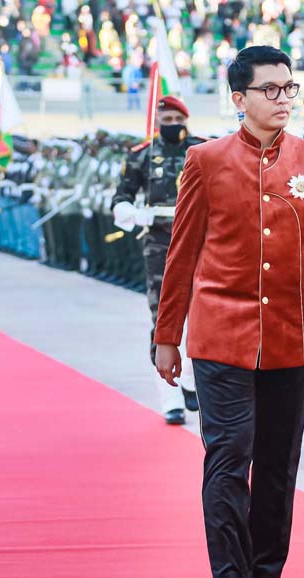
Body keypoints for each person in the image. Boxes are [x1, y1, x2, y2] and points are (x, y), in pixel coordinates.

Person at [153, 45, 304, 578]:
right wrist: (167, 333)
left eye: (289, 88)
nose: (283, 99)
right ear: (238, 98)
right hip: (221, 333)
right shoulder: (206, 160)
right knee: (227, 456)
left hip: (294, 334)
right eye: (270, 89)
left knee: (276, 464)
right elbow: (184, 251)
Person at [112, 95, 204, 425]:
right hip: (159, 243)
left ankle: (192, 379)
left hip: (199, 244)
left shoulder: (203, 150)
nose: (171, 127)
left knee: (201, 315)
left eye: (176, 121)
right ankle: (170, 398)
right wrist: (133, 213)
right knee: (162, 316)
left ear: (185, 119)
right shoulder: (141, 155)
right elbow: (121, 196)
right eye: (164, 122)